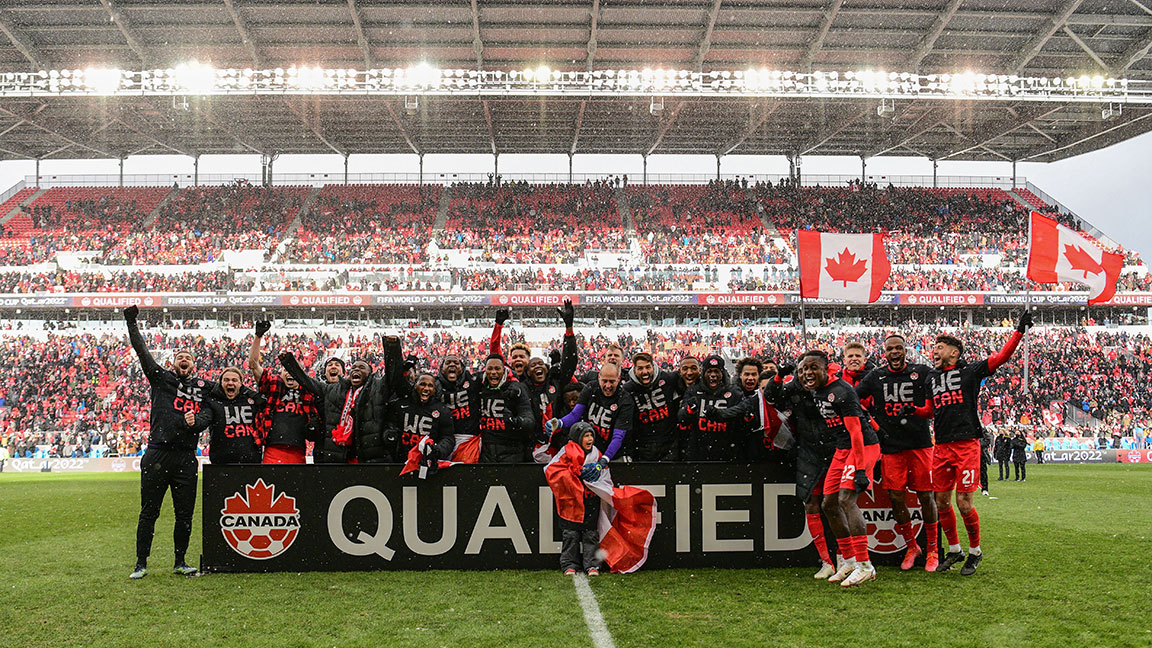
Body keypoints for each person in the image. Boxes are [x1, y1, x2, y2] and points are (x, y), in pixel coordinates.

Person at [910, 311, 1033, 576]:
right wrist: (910, 410)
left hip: (966, 445)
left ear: (954, 353)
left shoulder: (969, 372)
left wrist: (1019, 331)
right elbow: (931, 410)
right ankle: (954, 549)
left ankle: (975, 552)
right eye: (934, 348)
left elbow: (1002, 358)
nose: (934, 351)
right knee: (941, 501)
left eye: (939, 348)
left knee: (964, 503)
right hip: (941, 446)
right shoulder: (931, 378)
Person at [123, 304, 209, 579]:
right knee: (149, 511)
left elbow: (221, 402)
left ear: (194, 364)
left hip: (185, 456)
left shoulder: (202, 388)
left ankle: (180, 561)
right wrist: (132, 323)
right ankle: (140, 563)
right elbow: (142, 352)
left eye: (188, 357)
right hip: (157, 453)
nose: (184, 360)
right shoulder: (161, 379)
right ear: (173, 362)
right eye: (180, 356)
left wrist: (202, 420)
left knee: (184, 514)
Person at [854, 333, 939, 572]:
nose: (894, 352)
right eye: (890, 348)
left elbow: (935, 396)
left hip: (920, 444)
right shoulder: (876, 375)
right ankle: (912, 547)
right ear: (885, 352)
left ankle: (932, 549)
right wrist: (873, 423)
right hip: (891, 446)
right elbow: (853, 399)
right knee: (896, 497)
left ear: (904, 350)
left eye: (898, 348)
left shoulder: (921, 372)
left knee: (925, 496)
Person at [796, 350, 881, 587]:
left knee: (846, 500)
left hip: (861, 446)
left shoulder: (841, 392)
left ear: (826, 369)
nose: (807, 373)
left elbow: (856, 432)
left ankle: (866, 566)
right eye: (803, 369)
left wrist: (862, 469)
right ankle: (849, 561)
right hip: (843, 449)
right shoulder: (817, 390)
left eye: (813, 368)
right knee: (828, 503)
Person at [279, 336, 402, 463]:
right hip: (340, 457)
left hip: (370, 457)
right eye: (353, 368)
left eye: (361, 368)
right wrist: (288, 362)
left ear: (369, 374)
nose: (356, 370)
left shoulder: (378, 388)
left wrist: (392, 347)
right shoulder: (333, 390)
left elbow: (394, 374)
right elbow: (308, 382)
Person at [248, 320, 318, 464]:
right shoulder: (274, 385)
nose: (290, 373)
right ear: (280, 373)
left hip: (298, 449)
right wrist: (258, 337)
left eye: (294, 371)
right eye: (287, 370)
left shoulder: (309, 392)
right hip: (273, 447)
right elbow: (253, 365)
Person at [547, 363, 635, 467]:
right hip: (592, 451)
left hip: (615, 454)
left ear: (619, 379)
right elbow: (575, 415)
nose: (608, 386)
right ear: (599, 377)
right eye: (604, 381)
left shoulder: (625, 400)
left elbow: (618, 436)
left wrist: (605, 459)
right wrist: (559, 423)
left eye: (612, 381)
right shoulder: (591, 388)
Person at [550, 422, 603, 576]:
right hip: (571, 502)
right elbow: (552, 470)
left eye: (591, 435)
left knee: (590, 534)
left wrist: (597, 472)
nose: (589, 439)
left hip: (589, 500)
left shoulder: (596, 454)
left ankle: (592, 565)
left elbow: (605, 477)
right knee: (570, 534)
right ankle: (569, 564)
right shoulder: (565, 452)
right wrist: (575, 474)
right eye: (586, 435)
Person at [191, 367, 266, 466]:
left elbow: (266, 408)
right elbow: (204, 419)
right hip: (221, 462)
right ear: (220, 383)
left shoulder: (252, 400)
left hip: (251, 460)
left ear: (241, 383)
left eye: (234, 380)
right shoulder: (212, 401)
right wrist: (194, 421)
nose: (230, 383)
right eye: (226, 380)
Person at [679, 356, 748, 461]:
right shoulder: (693, 391)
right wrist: (689, 410)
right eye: (709, 371)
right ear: (704, 374)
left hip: (727, 453)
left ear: (722, 373)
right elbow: (681, 417)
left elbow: (743, 412)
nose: (713, 375)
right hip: (699, 453)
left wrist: (721, 414)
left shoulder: (734, 392)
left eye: (716, 371)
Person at [383, 371, 456, 467]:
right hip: (399, 461)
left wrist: (436, 450)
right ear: (415, 386)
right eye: (422, 384)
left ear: (435, 389)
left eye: (430, 386)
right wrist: (389, 435)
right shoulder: (399, 405)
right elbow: (388, 425)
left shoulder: (442, 411)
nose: (426, 388)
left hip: (426, 463)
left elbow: (448, 438)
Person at [622, 352, 683, 461]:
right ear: (634, 370)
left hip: (669, 446)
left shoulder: (668, 379)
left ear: (653, 366)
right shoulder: (627, 390)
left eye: (648, 367)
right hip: (643, 449)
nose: (644, 372)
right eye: (640, 368)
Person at [477, 353, 535, 463]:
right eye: (490, 369)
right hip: (485, 452)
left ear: (504, 370)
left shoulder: (516, 390)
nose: (493, 372)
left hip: (511, 452)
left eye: (497, 368)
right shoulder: (479, 386)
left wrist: (515, 422)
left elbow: (529, 421)